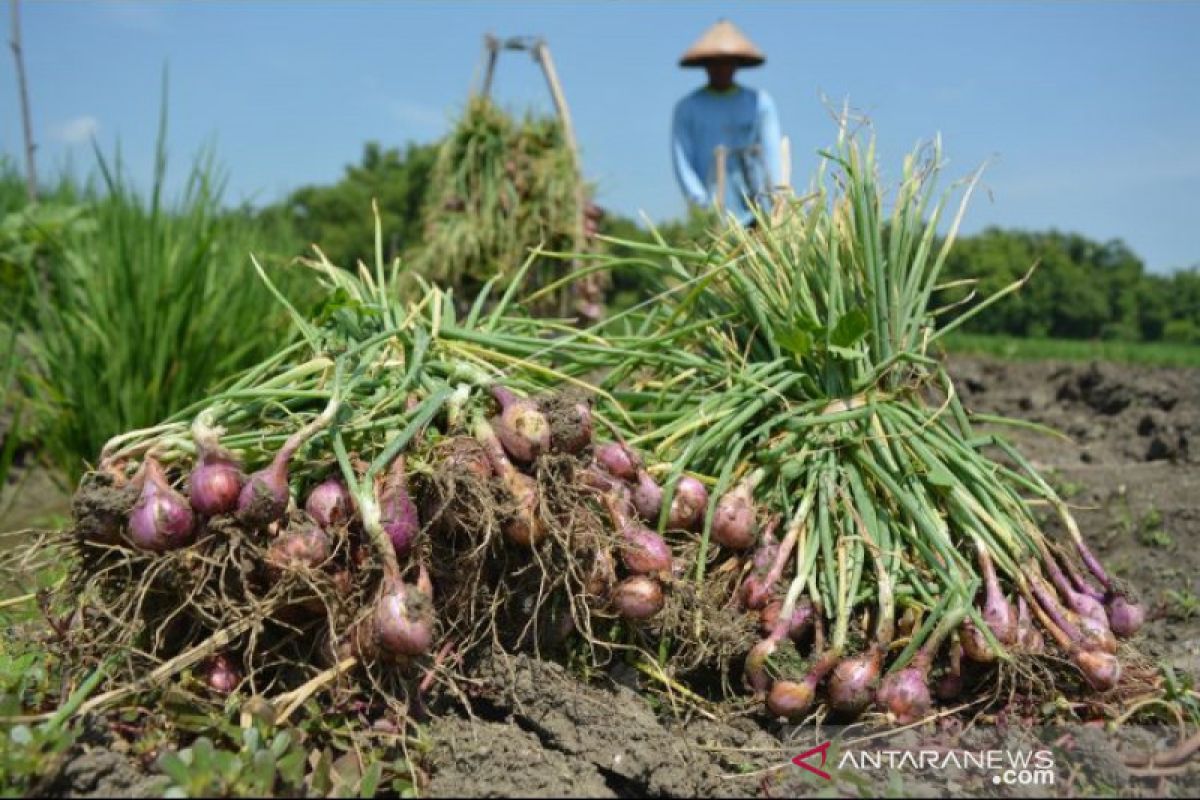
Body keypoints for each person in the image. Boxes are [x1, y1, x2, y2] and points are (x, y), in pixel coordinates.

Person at [671, 19, 783, 226]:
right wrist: (701, 203)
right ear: (705, 64)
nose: (721, 68)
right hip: (710, 210)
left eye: (727, 61)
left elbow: (772, 152)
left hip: (754, 206)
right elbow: (682, 160)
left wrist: (777, 198)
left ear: (737, 63)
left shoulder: (759, 103)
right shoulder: (687, 108)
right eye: (714, 62)